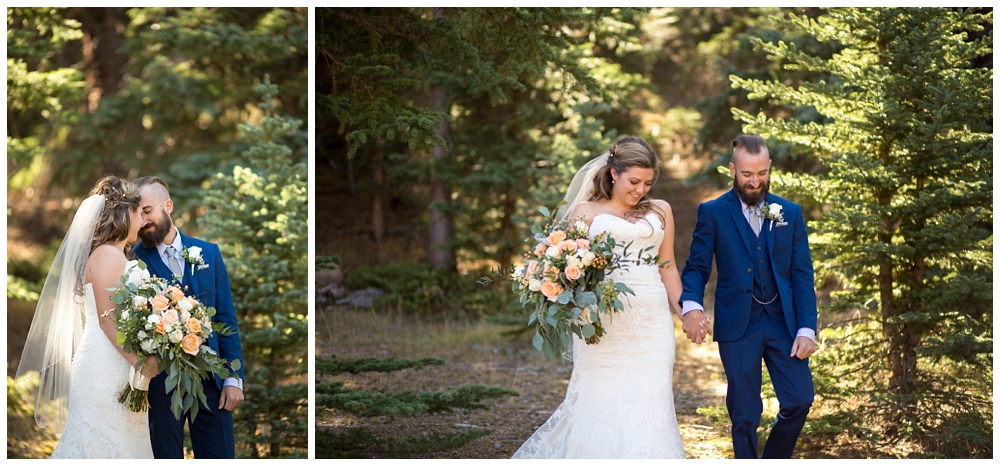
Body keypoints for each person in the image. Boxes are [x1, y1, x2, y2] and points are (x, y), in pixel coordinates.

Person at [512, 136, 686, 458]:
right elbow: (560, 266)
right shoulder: (585, 212)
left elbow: (668, 266)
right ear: (613, 173)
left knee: (652, 401)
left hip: (652, 326)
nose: (640, 190)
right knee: (600, 400)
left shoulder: (661, 210)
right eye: (634, 181)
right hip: (602, 325)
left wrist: (686, 311)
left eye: (648, 183)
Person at [679, 134, 817, 459]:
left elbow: (801, 274)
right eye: (746, 174)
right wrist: (692, 306)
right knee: (744, 414)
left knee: (799, 399)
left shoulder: (790, 212)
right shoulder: (712, 212)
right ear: (732, 169)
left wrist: (807, 328)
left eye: (762, 174)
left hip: (785, 322)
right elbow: (697, 266)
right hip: (738, 322)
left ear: (769, 167)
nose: (755, 182)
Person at [15, 176, 158, 458]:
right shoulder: (106, 255)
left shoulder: (116, 254)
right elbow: (108, 319)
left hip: (118, 362)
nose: (142, 222)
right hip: (105, 366)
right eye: (138, 213)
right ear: (123, 213)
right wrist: (142, 362)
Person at [131, 176, 245, 458]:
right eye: (137, 214)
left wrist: (233, 378)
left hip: (212, 384)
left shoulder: (209, 253)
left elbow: (227, 321)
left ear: (167, 206)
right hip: (161, 387)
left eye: (148, 211)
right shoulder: (133, 260)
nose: (143, 221)